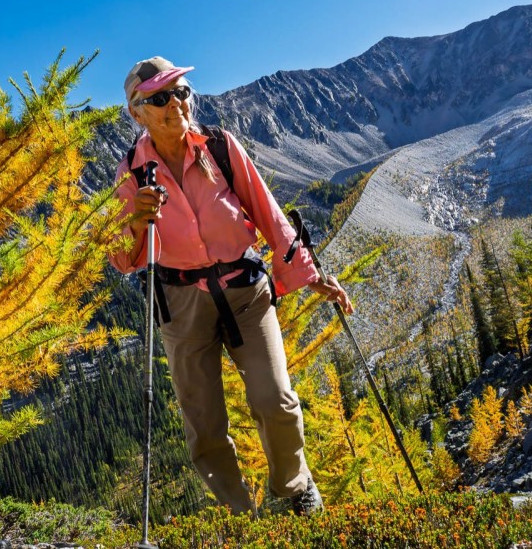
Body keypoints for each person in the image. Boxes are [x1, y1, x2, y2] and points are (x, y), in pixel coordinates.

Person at [109, 56, 354, 516]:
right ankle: (240, 518)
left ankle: (294, 490)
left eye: (181, 91)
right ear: (137, 112)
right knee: (204, 426)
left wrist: (313, 275)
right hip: (180, 304)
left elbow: (268, 213)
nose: (176, 103)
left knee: (275, 399)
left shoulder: (219, 146)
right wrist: (138, 221)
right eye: (160, 98)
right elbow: (123, 259)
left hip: (245, 290)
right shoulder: (130, 173)